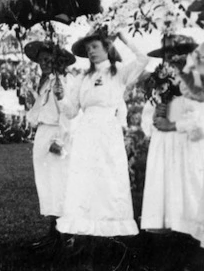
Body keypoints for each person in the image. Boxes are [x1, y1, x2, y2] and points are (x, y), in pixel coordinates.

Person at [56, 27, 148, 237]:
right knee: (86, 177)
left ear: (107, 47)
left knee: (109, 176)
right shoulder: (83, 78)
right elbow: (71, 112)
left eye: (95, 46)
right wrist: (61, 97)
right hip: (87, 130)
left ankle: (112, 229)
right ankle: (85, 227)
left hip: (108, 129)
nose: (91, 51)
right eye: (88, 48)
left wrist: (123, 36)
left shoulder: (119, 72)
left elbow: (142, 59)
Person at [140, 35, 204, 242]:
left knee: (189, 187)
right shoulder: (158, 81)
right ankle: (169, 240)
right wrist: (156, 115)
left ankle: (191, 237)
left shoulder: (194, 81)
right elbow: (146, 118)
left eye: (178, 55)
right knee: (164, 188)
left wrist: (174, 125)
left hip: (186, 141)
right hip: (164, 144)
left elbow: (200, 118)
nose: (173, 59)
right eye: (168, 56)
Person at [23, 40, 76, 248]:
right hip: (43, 133)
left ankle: (67, 234)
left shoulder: (63, 81)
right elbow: (36, 114)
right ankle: (53, 232)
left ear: (57, 60)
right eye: (40, 60)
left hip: (56, 134)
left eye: (47, 59)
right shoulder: (47, 82)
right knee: (47, 185)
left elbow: (68, 113)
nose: (43, 63)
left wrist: (59, 140)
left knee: (60, 184)